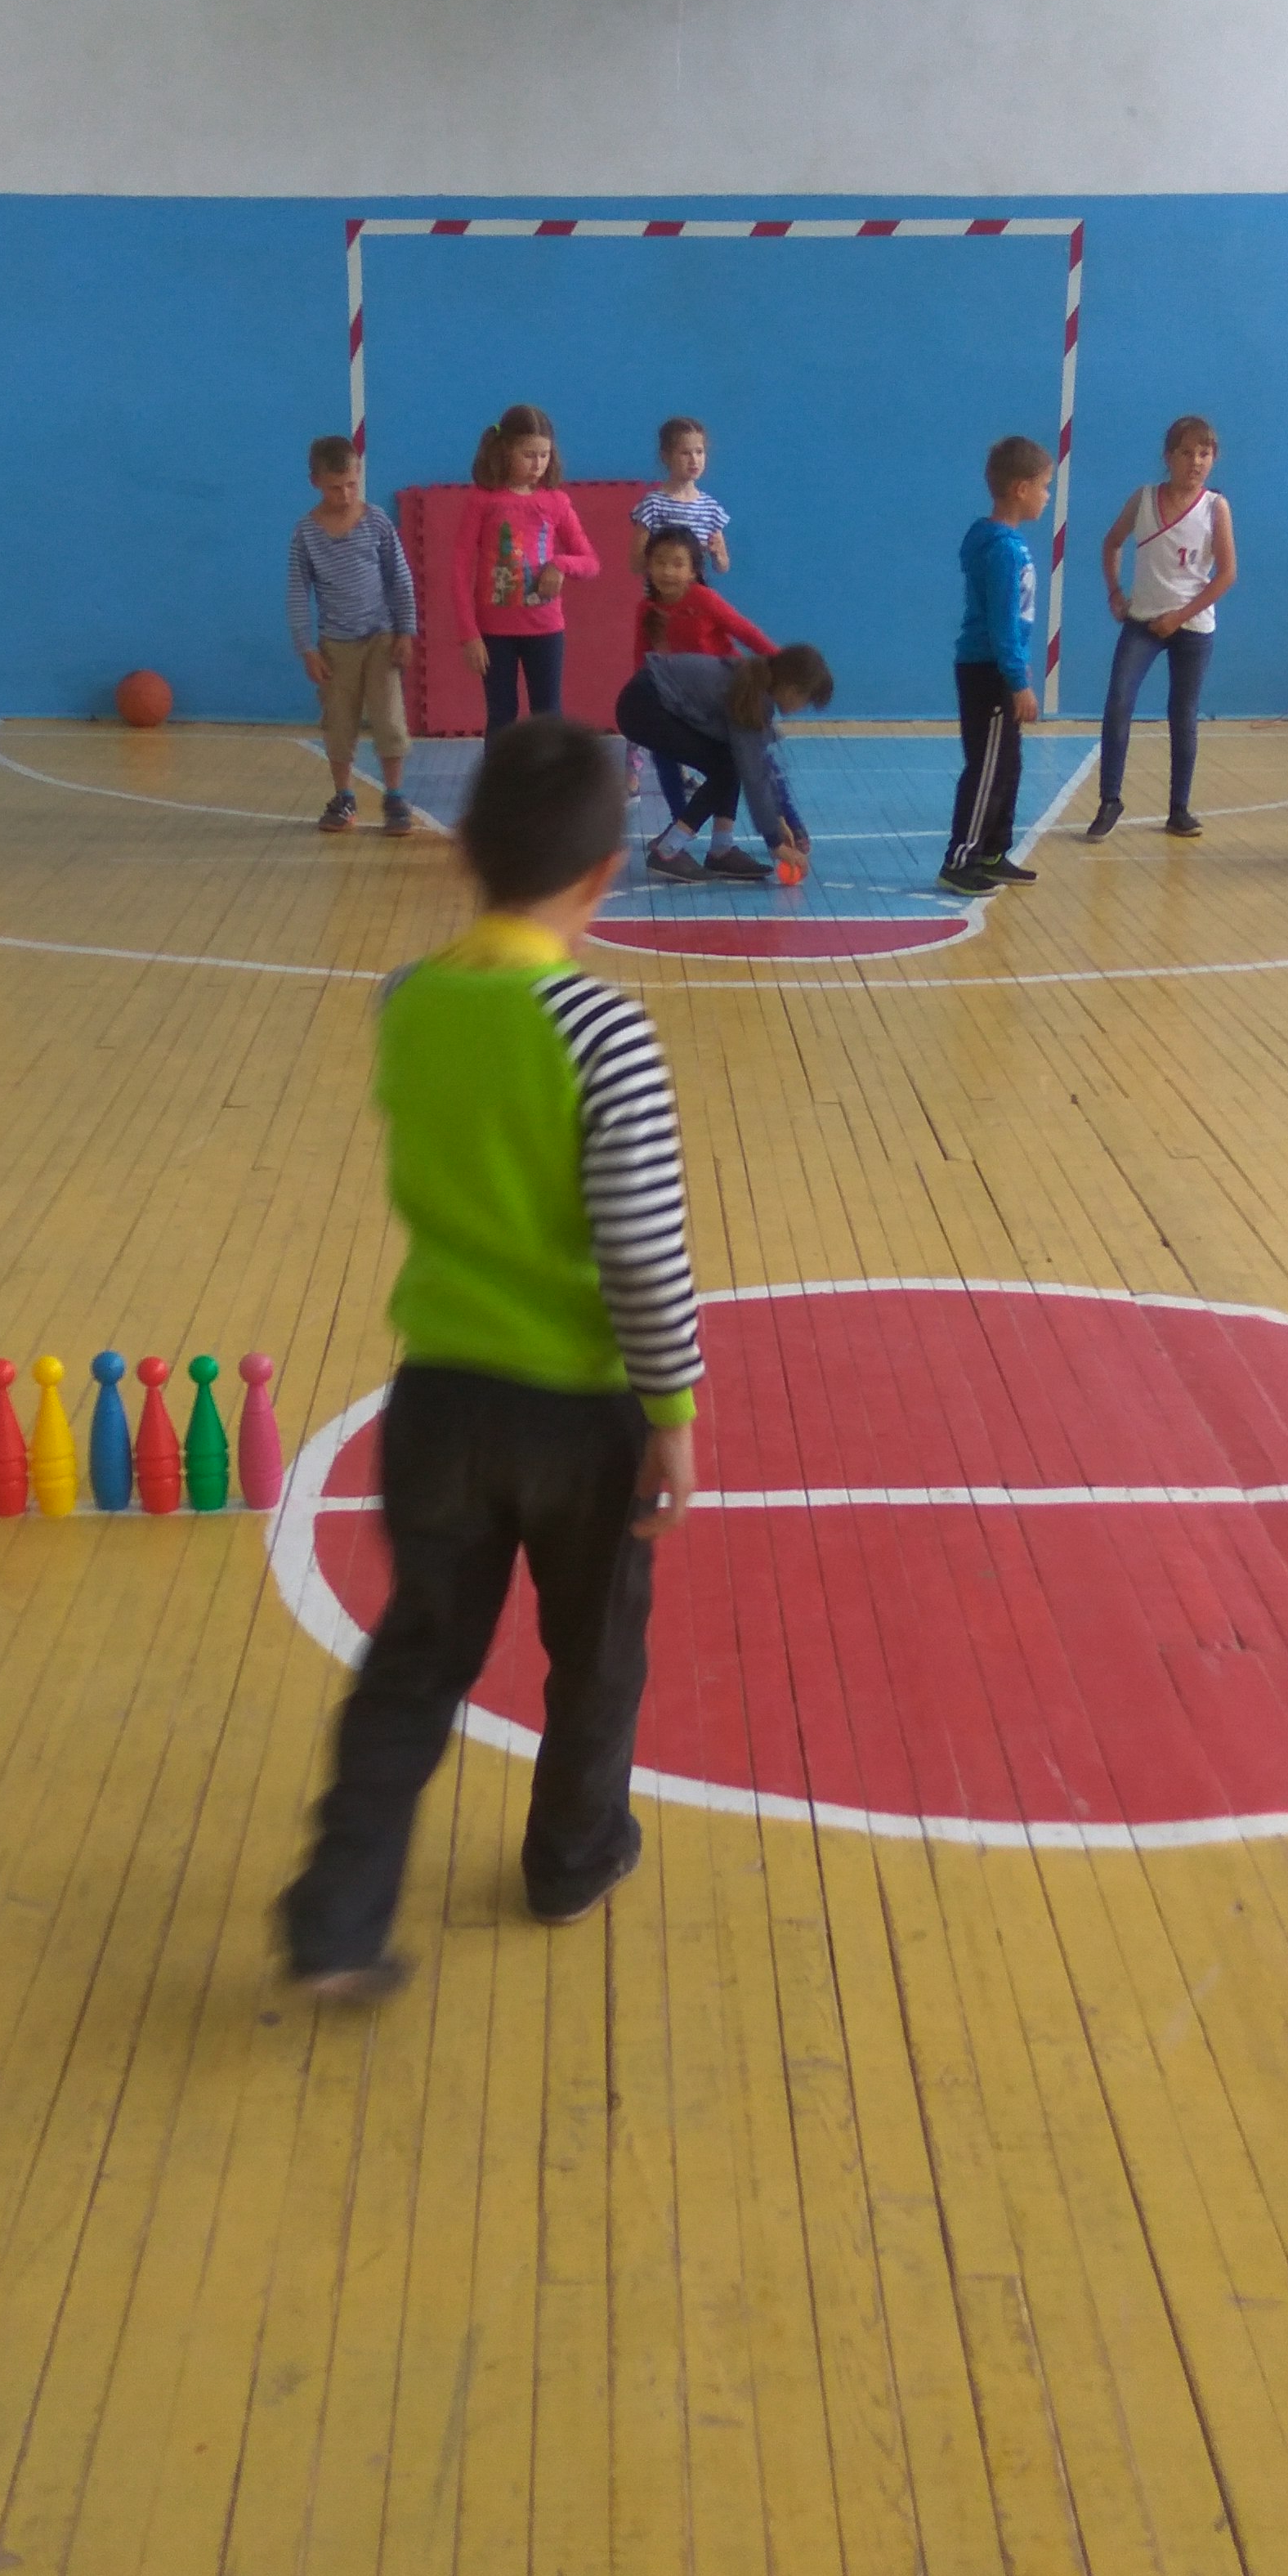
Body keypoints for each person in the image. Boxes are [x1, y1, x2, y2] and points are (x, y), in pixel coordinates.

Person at [275, 714, 705, 2005]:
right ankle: (574, 1857)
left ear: (462, 849)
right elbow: (643, 1252)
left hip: (439, 1402)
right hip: (580, 1418)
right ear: (606, 873)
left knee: (418, 1653)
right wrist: (673, 1412)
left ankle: (337, 1914)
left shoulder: (408, 1002)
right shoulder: (603, 1031)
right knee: (596, 1657)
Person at [1087, 416, 1237, 841]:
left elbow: (1227, 574)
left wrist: (1182, 615)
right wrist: (1115, 591)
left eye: (1204, 454)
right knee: (1119, 701)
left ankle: (1179, 809)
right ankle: (1110, 800)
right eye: (1187, 453)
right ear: (1168, 457)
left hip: (1193, 627)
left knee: (1183, 713)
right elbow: (1112, 542)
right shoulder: (1144, 499)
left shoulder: (1215, 507)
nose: (1196, 462)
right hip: (1143, 622)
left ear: (1214, 459)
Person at [287, 434, 424, 835]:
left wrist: (405, 631)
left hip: (381, 638)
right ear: (315, 482)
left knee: (390, 720)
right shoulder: (306, 533)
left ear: (359, 474)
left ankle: (395, 797)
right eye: (335, 488)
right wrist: (307, 649)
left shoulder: (377, 522)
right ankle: (344, 797)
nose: (345, 495)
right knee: (339, 723)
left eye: (351, 484)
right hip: (336, 645)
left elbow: (400, 579)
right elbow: (297, 592)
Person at [619, 643, 832, 884]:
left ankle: (721, 850)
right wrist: (774, 842)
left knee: (730, 761)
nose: (803, 708)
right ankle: (668, 851)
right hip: (643, 706)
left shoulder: (755, 685)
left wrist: (777, 818)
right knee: (725, 770)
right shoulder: (753, 698)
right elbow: (754, 774)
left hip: (646, 699)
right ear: (793, 690)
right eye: (806, 701)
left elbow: (755, 763)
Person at [941, 434, 1051, 898]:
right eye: (1044, 486)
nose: (1047, 495)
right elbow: (1003, 621)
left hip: (998, 667)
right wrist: (1017, 679)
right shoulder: (1002, 549)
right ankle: (960, 860)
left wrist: (1017, 668)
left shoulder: (1004, 543)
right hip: (988, 671)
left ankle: (992, 851)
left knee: (1008, 765)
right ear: (1021, 489)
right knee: (987, 767)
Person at [628, 529, 778, 858]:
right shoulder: (647, 609)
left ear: (694, 570)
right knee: (664, 754)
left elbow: (746, 631)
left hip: (721, 695)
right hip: (680, 698)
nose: (668, 571)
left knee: (732, 758)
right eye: (660, 562)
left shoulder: (704, 600)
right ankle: (677, 821)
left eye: (677, 564)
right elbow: (642, 657)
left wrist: (779, 664)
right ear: (648, 567)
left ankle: (723, 842)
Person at [454, 403, 600, 732]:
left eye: (544, 455)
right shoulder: (483, 499)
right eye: (529, 455)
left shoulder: (556, 501)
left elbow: (590, 562)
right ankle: (500, 769)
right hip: (495, 632)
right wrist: (469, 634)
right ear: (506, 451)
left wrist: (560, 565)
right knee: (501, 716)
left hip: (545, 628)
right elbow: (460, 568)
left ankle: (549, 769)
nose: (538, 465)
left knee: (547, 716)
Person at [628, 414, 732, 578]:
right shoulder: (653, 504)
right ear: (666, 457)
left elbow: (723, 566)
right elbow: (636, 563)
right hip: (661, 591)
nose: (694, 460)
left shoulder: (711, 508)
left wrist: (718, 554)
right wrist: (663, 562)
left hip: (694, 590)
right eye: (685, 453)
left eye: (699, 452)